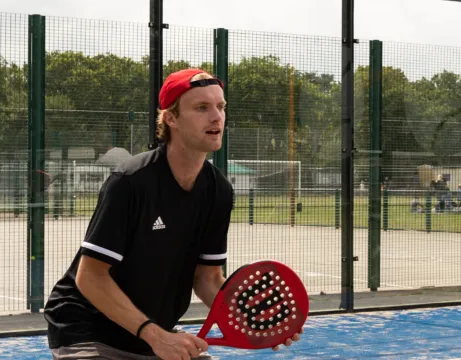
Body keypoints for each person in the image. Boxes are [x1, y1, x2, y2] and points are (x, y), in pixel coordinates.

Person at [42, 68, 300, 360]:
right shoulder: (130, 181)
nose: (216, 116)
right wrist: (157, 336)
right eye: (202, 108)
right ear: (171, 118)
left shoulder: (219, 191)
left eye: (220, 106)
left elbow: (208, 278)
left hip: (150, 334)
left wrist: (256, 323)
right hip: (87, 331)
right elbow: (90, 278)